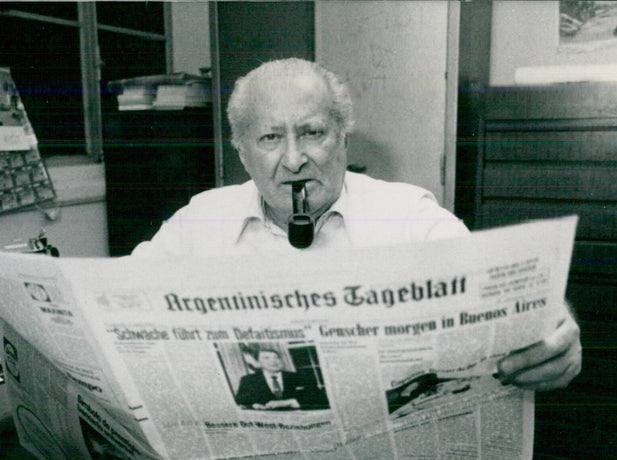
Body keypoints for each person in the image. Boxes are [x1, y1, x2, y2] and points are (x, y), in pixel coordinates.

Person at [132, 58, 581, 392]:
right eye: (270, 138)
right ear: (242, 152)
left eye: (312, 133)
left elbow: (499, 290)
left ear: (343, 137)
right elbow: (122, 303)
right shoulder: (198, 221)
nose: (293, 160)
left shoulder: (408, 215)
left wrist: (552, 326)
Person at [235, 348, 328, 410]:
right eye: (266, 358)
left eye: (276, 358)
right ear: (258, 363)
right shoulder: (248, 380)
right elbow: (240, 402)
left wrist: (291, 402)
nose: (273, 361)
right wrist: (253, 406)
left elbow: (320, 398)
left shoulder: (299, 377)